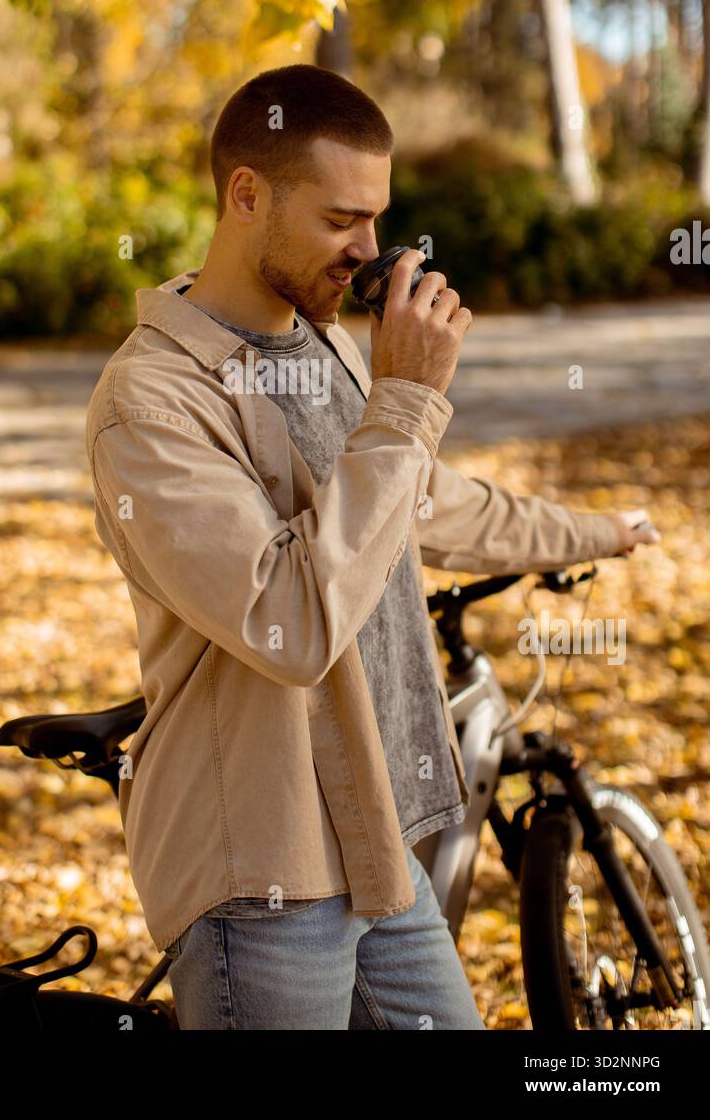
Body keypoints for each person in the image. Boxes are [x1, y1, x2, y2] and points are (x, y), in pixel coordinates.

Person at [85, 63, 659, 1030]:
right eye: (341, 219)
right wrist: (404, 403)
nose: (371, 249)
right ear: (245, 195)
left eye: (379, 218)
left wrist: (597, 531)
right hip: (263, 877)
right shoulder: (151, 401)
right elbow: (290, 621)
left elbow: (418, 503)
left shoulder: (326, 349)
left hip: (377, 847)